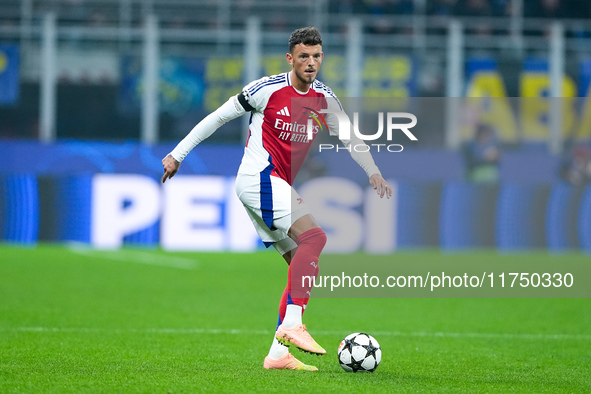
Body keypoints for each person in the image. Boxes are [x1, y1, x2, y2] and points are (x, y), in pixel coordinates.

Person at [161, 27, 391, 372]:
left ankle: (277, 354)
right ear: (290, 59)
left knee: (302, 266)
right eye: (303, 56)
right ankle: (293, 325)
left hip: (273, 184)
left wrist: (372, 170)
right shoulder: (266, 89)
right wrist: (178, 154)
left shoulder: (325, 99)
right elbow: (218, 117)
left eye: (316, 56)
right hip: (259, 178)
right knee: (316, 237)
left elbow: (350, 138)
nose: (310, 63)